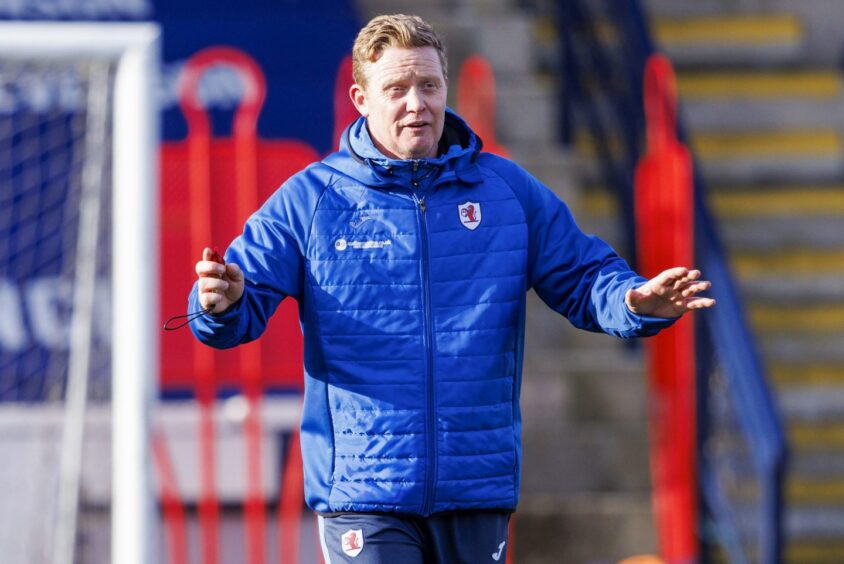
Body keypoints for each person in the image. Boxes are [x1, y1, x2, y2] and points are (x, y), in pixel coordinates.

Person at [188, 13, 714, 563]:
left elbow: (584, 275)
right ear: (360, 99)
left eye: (428, 86)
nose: (416, 103)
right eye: (396, 89)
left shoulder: (506, 191)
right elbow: (235, 301)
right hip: (366, 493)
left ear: (446, 88)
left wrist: (632, 301)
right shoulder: (312, 199)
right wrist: (220, 304)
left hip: (475, 486)